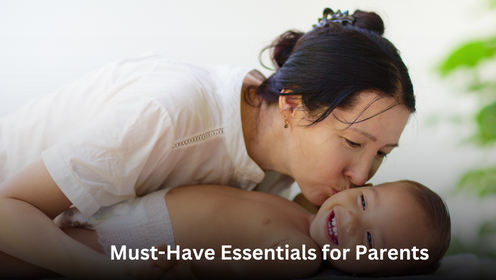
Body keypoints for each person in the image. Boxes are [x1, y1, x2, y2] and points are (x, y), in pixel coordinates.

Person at [0, 8, 416, 279]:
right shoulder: (169, 115)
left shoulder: (288, 161)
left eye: (381, 153)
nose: (362, 176)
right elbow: (8, 208)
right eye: (351, 142)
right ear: (292, 105)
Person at [12, 180, 448, 279]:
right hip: (130, 211)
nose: (352, 221)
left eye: (371, 241)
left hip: (143, 244)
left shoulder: (302, 255)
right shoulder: (304, 208)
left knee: (27, 258)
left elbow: (235, 267)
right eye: (365, 202)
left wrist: (181, 266)